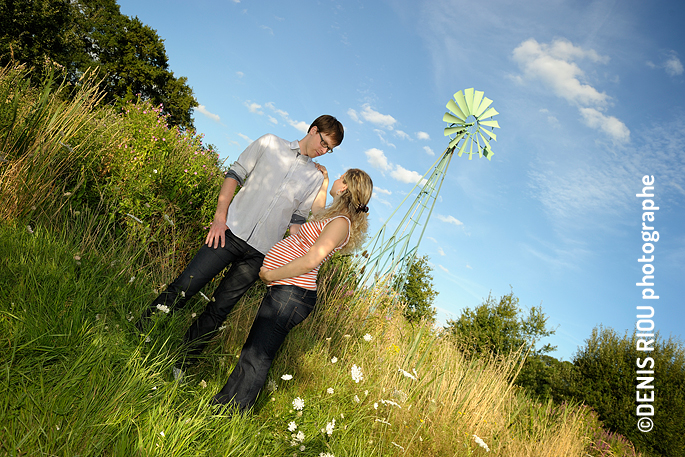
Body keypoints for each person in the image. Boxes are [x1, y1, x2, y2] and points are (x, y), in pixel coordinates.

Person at [139, 115, 344, 377]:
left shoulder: (313, 178)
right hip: (228, 233)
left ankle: (180, 364)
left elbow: (297, 222)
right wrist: (219, 218)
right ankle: (141, 331)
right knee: (184, 286)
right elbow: (234, 174)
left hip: (260, 253)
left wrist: (297, 258)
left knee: (219, 309)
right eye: (324, 142)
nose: (324, 151)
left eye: (330, 149)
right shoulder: (270, 143)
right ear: (314, 130)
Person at [211, 168, 373, 412]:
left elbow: (311, 260)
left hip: (293, 294)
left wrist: (270, 275)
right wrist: (325, 181)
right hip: (287, 291)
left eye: (340, 178)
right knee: (253, 350)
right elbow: (318, 209)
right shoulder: (332, 217)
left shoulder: (340, 224)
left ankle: (233, 412)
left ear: (346, 188)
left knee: (258, 355)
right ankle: (224, 403)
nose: (337, 179)